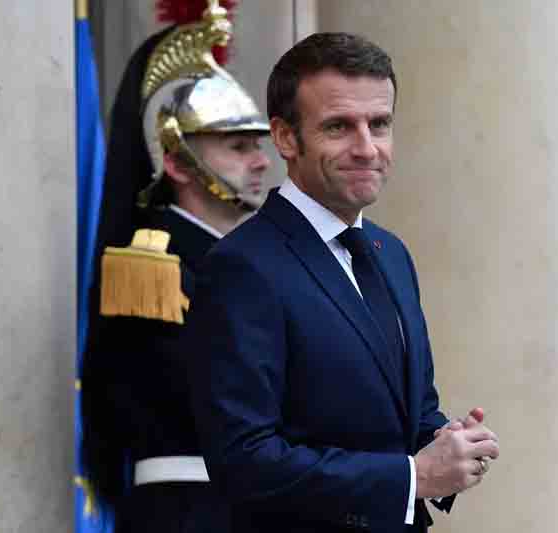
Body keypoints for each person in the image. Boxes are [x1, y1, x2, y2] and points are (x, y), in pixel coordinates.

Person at [187, 32, 499, 533]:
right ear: (286, 138)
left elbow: (411, 412)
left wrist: (450, 443)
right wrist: (411, 477)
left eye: (380, 124)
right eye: (339, 127)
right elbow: (243, 459)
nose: (366, 147)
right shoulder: (243, 266)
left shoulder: (390, 253)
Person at [79, 3, 271, 532]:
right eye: (237, 147)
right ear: (178, 161)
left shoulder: (253, 261)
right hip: (187, 509)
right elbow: (205, 396)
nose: (260, 162)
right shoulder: (150, 266)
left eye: (257, 145)